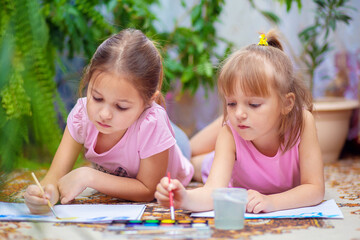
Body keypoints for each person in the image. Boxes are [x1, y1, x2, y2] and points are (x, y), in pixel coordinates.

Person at [24, 28, 194, 214]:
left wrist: (88, 176)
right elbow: (54, 177)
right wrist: (44, 194)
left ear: (148, 101)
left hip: (175, 148)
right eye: (97, 98)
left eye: (120, 107)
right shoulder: (83, 115)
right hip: (148, 140)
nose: (104, 114)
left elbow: (148, 190)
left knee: (193, 153)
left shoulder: (152, 123)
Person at [155, 30, 324, 213]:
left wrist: (272, 202)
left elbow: (315, 189)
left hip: (238, 151)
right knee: (187, 159)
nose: (240, 114)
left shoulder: (303, 122)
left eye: (254, 104)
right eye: (231, 103)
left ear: (287, 103)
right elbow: (213, 191)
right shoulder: (230, 133)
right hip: (221, 162)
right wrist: (185, 198)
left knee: (202, 144)